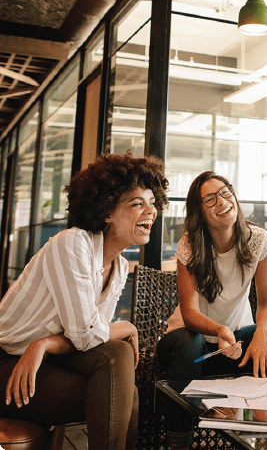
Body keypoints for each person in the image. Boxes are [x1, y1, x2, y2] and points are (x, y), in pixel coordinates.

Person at [0, 152, 169, 450]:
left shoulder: (117, 268)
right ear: (106, 212)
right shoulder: (72, 243)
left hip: (45, 358)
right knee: (121, 385)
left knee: (117, 361)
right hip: (6, 363)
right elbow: (87, 334)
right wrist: (128, 327)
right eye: (137, 203)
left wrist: (44, 344)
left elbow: (90, 340)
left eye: (152, 202)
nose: (151, 211)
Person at [156, 171, 267, 449]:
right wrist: (219, 329)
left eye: (225, 192)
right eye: (210, 199)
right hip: (191, 353)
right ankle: (179, 441)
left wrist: (261, 335)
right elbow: (189, 312)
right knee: (189, 340)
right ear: (200, 213)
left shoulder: (258, 239)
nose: (222, 201)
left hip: (232, 348)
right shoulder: (190, 245)